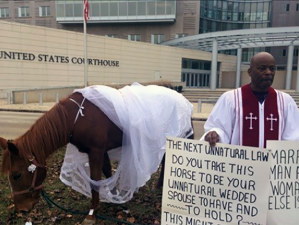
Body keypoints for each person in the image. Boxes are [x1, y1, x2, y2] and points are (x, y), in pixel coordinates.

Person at [201, 52, 299, 148]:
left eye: (272, 69)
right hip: (239, 163)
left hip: (272, 163)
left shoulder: (285, 102)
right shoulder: (231, 99)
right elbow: (220, 128)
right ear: (250, 72)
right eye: (262, 68)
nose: (268, 72)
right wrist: (216, 134)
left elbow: (293, 136)